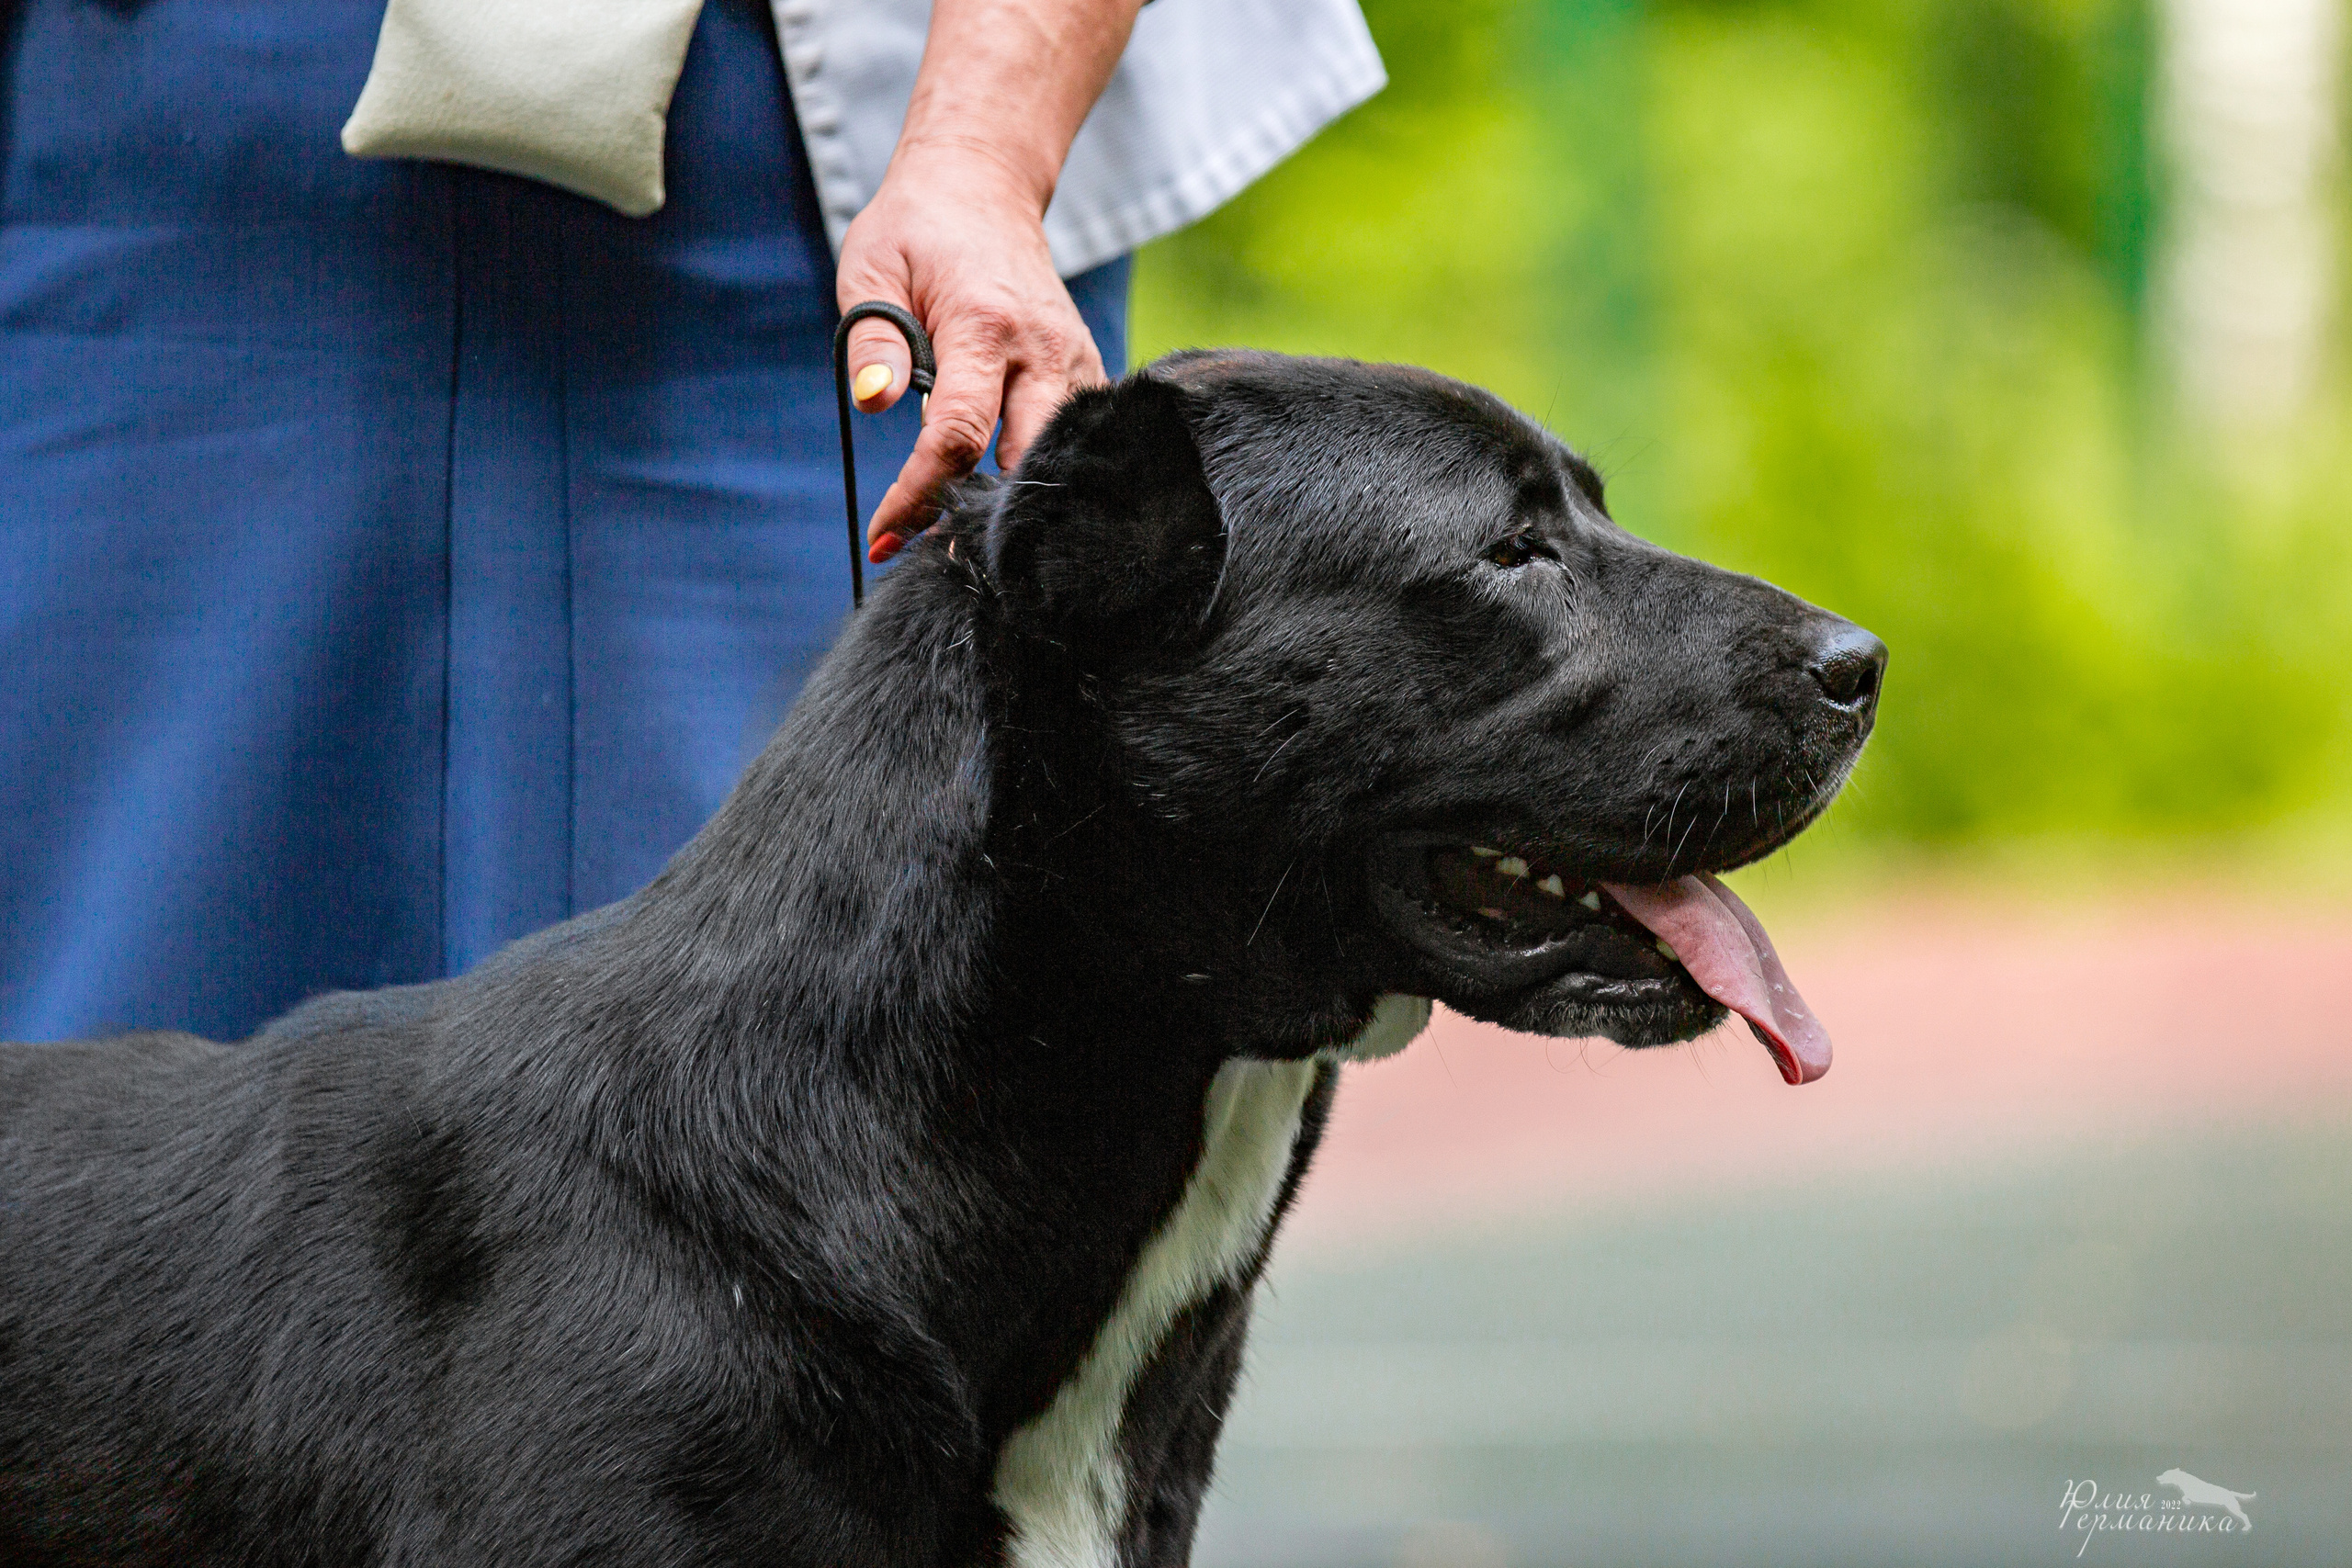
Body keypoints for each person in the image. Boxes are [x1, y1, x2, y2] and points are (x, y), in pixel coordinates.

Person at [0, 0, 1381, 1043]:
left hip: (852, 177)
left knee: (844, 1138)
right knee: (106, 1159)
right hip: (146, 142)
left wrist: (981, 150)